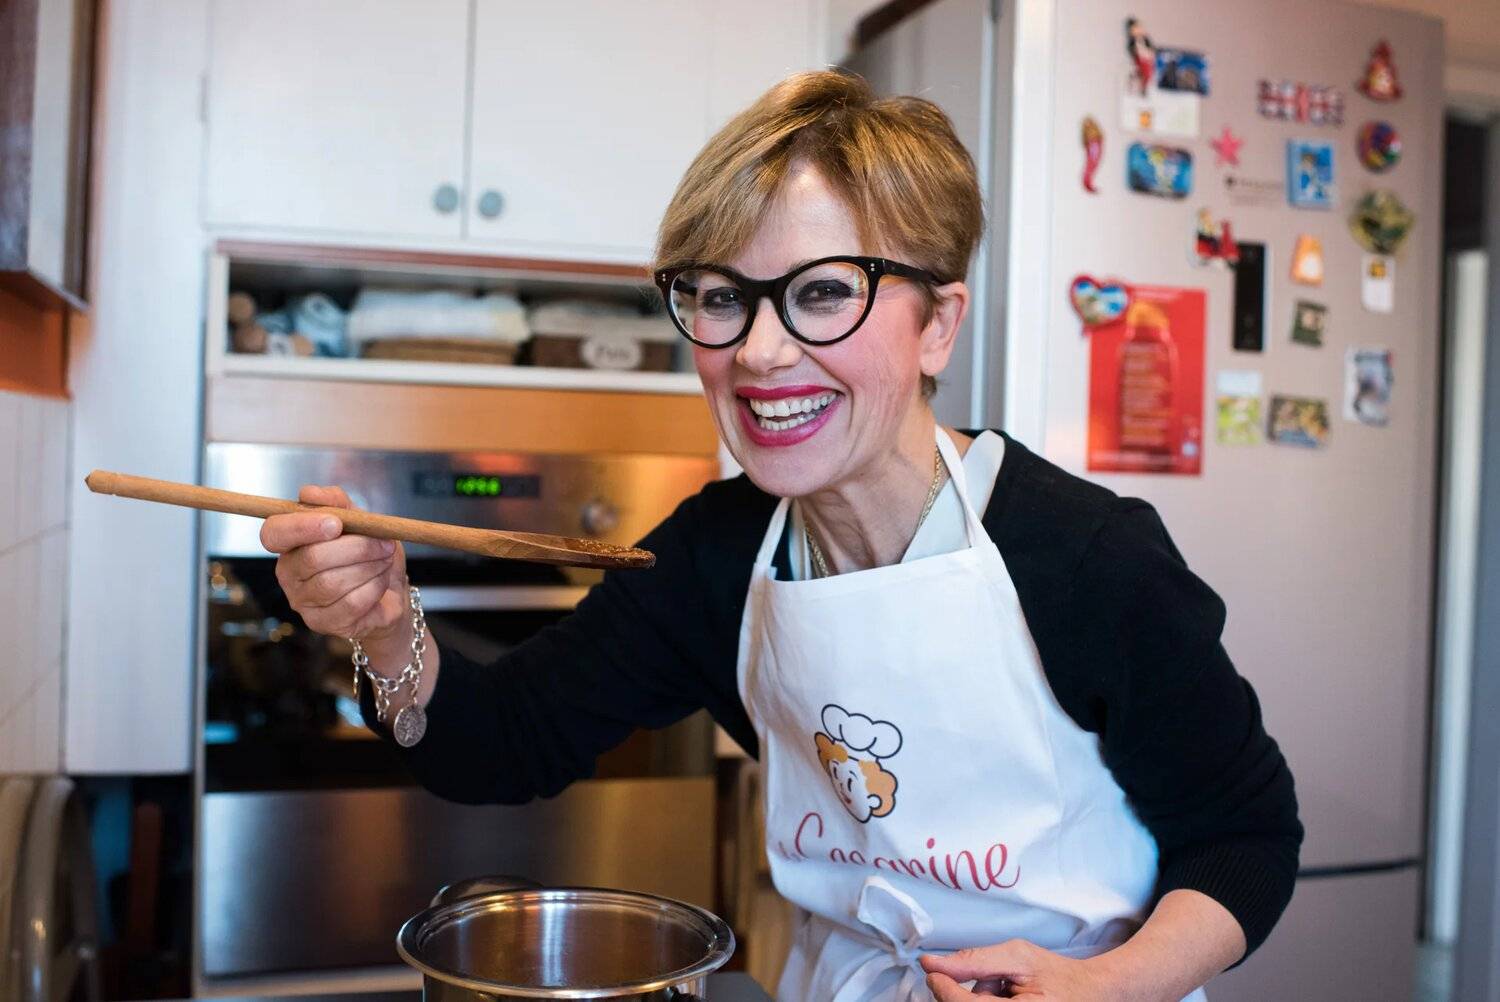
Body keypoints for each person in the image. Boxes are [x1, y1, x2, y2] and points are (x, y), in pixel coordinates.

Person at [260, 71, 1300, 1002]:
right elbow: (500, 743)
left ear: (938, 324)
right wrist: (385, 629)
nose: (758, 353)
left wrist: (1107, 987)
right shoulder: (714, 559)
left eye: (824, 293)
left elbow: (1245, 836)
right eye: (721, 297)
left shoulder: (1087, 558)